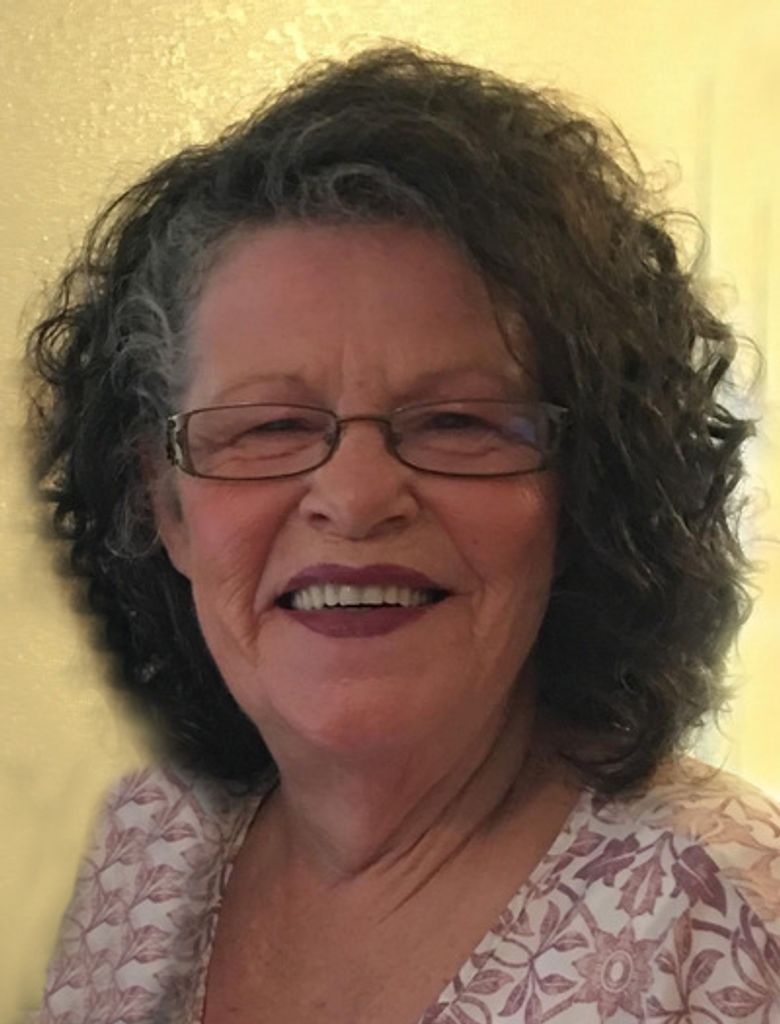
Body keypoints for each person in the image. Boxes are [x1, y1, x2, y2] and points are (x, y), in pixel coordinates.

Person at [27, 43, 779, 1024]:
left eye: (459, 422)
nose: (355, 496)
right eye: (269, 427)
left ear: (582, 492)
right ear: (163, 506)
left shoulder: (722, 919)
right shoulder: (147, 842)